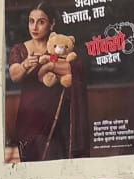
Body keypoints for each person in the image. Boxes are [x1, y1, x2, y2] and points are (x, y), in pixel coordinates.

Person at [7, 3, 89, 162]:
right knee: (31, 163)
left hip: (57, 117)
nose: (34, 27)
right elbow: (14, 76)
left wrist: (49, 66)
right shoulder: (20, 49)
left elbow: (74, 68)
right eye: (31, 21)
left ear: (52, 24)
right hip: (29, 117)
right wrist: (26, 64)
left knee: (57, 160)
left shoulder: (60, 46)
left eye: (41, 22)